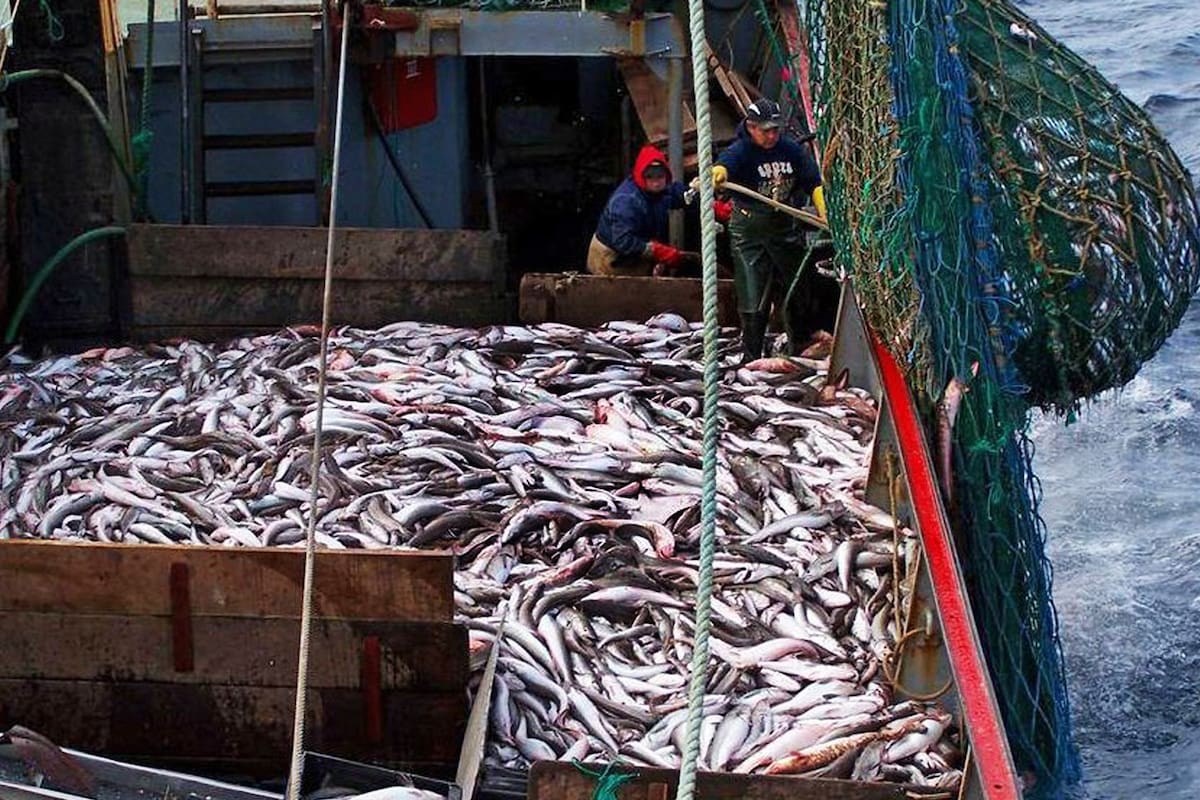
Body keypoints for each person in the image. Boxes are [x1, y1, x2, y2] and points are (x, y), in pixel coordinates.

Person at [713, 98, 827, 361]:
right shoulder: (741, 151)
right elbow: (726, 163)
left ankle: (800, 341)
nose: (772, 135)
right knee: (753, 290)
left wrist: (822, 204)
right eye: (766, 130)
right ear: (751, 127)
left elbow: (812, 181)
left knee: (799, 283)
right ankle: (751, 352)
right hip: (749, 230)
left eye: (776, 129)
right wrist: (718, 172)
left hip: (784, 226)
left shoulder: (789, 150)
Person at [588, 144, 695, 277]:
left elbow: (678, 194)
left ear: (666, 175)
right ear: (640, 176)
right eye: (649, 176)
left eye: (660, 176)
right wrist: (658, 251)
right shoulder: (626, 201)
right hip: (612, 258)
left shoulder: (663, 190)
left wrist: (709, 205)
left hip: (641, 243)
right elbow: (623, 241)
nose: (656, 182)